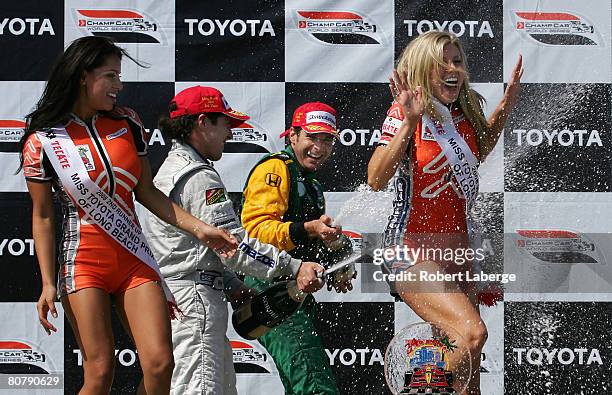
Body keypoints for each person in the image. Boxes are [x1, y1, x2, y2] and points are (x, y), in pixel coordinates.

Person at [19, 36, 237, 395]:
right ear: (82, 77)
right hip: (83, 260)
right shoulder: (42, 141)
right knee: (100, 371)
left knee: (160, 363)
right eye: (110, 76)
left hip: (134, 259)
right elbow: (42, 217)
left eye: (119, 76)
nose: (119, 86)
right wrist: (46, 283)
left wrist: (201, 230)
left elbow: (147, 192)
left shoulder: (128, 123)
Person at [139, 85, 325, 395]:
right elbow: (232, 246)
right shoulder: (198, 177)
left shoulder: (174, 169)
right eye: (225, 123)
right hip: (193, 300)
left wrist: (232, 285)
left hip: (187, 294)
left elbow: (197, 247)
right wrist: (294, 266)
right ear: (202, 122)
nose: (230, 132)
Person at [367, 31, 523, 395]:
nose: (454, 69)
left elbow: (477, 152)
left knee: (468, 379)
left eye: (457, 61)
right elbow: (375, 178)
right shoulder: (405, 111)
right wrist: (408, 122)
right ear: (424, 69)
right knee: (472, 333)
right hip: (410, 249)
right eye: (443, 63)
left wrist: (506, 106)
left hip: (458, 249)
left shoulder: (464, 110)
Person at [241, 102, 356, 395]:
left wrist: (338, 256)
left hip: (295, 292)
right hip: (270, 290)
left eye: (327, 139)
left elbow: (307, 246)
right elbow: (256, 233)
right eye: (312, 137)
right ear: (293, 136)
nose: (320, 146)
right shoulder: (276, 168)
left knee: (301, 386)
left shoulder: (312, 183)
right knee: (316, 386)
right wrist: (309, 228)